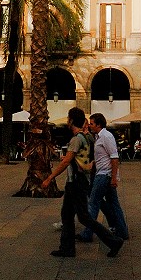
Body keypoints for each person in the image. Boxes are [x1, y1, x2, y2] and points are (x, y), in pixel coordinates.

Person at [41, 107, 124, 258]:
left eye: (68, 118)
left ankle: (113, 241)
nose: (67, 121)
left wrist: (49, 178)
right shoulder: (88, 138)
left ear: (71, 120)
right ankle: (67, 248)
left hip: (75, 183)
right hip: (81, 181)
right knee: (67, 215)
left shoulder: (76, 139)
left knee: (83, 217)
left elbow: (66, 162)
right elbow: (81, 157)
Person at [78, 113, 130, 244]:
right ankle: (122, 231)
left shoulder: (106, 136)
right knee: (114, 203)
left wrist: (113, 177)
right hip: (104, 173)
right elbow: (105, 157)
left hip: (104, 175)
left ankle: (87, 233)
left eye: (91, 123)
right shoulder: (99, 137)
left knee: (93, 202)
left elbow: (114, 157)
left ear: (99, 124)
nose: (90, 125)